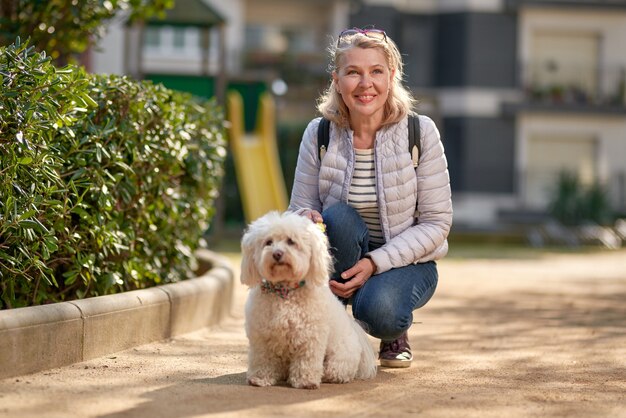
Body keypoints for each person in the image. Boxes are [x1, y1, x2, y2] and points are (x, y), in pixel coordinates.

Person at [288, 27, 452, 368]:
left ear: (392, 76)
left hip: (408, 263)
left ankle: (391, 334)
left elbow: (437, 224)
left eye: (376, 71)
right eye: (353, 72)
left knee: (380, 312)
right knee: (338, 218)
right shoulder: (318, 133)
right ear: (336, 79)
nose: (366, 84)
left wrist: (375, 263)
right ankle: (332, 332)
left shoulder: (419, 132)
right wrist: (306, 218)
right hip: (343, 257)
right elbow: (299, 207)